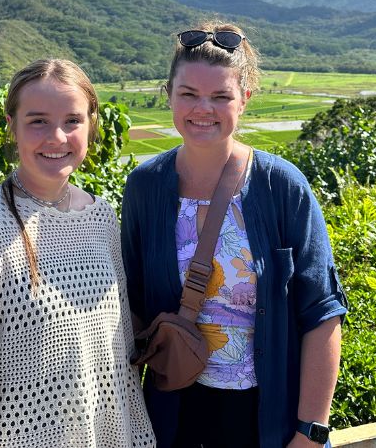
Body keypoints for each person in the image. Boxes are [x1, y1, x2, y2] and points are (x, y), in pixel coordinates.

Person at [121, 23, 347, 448]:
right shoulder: (145, 187)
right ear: (168, 93)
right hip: (171, 415)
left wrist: (310, 431)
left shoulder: (281, 186)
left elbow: (321, 312)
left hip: (266, 418)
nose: (202, 108)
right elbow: (129, 306)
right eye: (188, 93)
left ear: (244, 99)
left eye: (220, 96)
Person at [0, 59, 155, 448]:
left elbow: (117, 364)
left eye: (72, 121)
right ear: (12, 125)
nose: (57, 137)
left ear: (90, 124)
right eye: (38, 121)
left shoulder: (102, 219)